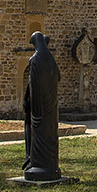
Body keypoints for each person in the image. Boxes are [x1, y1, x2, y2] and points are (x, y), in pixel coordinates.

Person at [22, 32, 61, 181]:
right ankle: (50, 164)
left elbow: (32, 84)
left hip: (38, 106)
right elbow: (58, 77)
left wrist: (28, 101)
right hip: (50, 105)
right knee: (49, 132)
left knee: (37, 132)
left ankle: (37, 162)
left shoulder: (35, 59)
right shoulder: (51, 59)